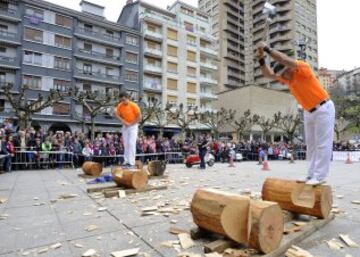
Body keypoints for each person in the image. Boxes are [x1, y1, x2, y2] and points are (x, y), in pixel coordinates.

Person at [256, 42, 335, 185]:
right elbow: (267, 73)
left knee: (322, 144)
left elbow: (284, 59)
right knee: (310, 145)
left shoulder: (303, 68)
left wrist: (266, 48)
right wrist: (261, 58)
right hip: (308, 111)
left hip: (323, 107)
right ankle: (311, 175)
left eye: (283, 74)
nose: (282, 79)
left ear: (289, 69)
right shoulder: (287, 79)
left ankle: (320, 176)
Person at [115, 92, 142, 167]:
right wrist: (123, 121)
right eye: (121, 100)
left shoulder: (134, 105)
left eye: (123, 100)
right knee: (126, 144)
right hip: (125, 125)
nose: (122, 102)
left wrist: (130, 124)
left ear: (127, 98)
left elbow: (140, 118)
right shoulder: (120, 106)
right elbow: (117, 114)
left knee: (131, 143)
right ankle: (126, 160)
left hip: (133, 126)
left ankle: (131, 162)